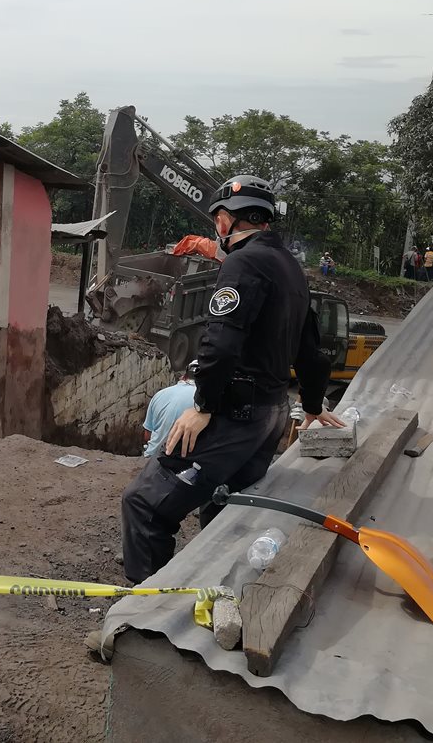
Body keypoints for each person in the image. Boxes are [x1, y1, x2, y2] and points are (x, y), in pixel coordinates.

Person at [120, 175, 342, 585]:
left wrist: (202, 406)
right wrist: (311, 404)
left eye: (215, 224)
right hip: (270, 415)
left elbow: (220, 342)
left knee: (145, 504)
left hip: (237, 414)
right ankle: (217, 587)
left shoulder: (243, 262)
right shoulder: (291, 268)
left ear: (224, 222)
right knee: (227, 503)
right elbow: (311, 351)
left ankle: (144, 612)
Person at [141, 367, 199, 458]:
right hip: (180, 460)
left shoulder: (160, 394)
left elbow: (147, 435)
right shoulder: (204, 400)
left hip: (152, 456)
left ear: (184, 377)